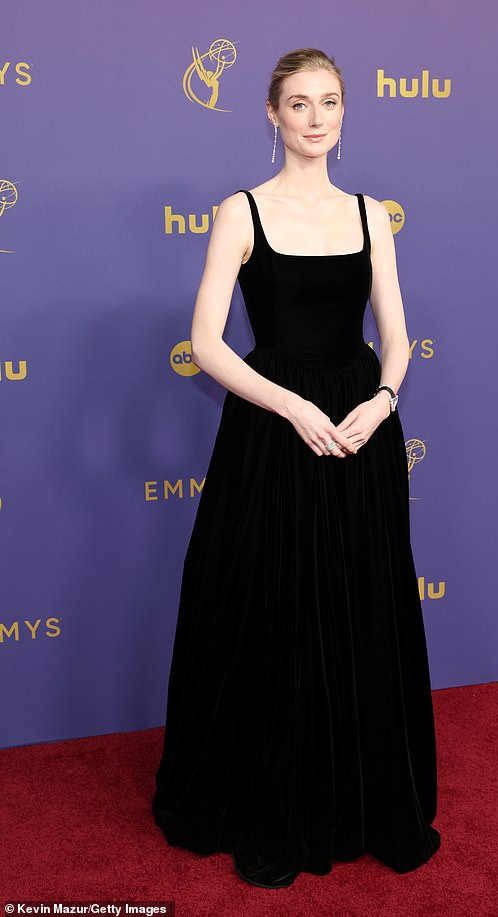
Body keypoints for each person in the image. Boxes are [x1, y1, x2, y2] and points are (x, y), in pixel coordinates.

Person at [152, 47, 441, 889]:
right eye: (300, 103)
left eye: (331, 102)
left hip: (360, 426)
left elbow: (397, 334)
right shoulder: (239, 212)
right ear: (270, 115)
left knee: (359, 599)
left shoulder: (368, 215)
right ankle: (271, 795)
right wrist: (290, 405)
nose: (317, 117)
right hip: (275, 434)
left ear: (345, 114)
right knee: (271, 605)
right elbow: (207, 343)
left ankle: (361, 799)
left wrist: (383, 401)